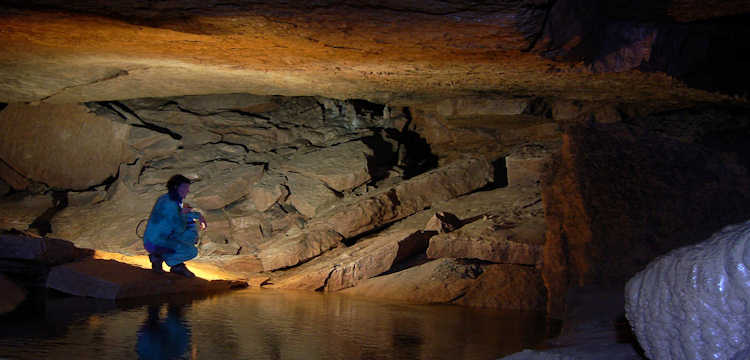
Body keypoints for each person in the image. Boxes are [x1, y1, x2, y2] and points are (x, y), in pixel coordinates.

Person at [143, 174, 206, 278]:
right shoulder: (172, 204)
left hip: (152, 240)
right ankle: (169, 261)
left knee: (188, 234)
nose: (187, 191)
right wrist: (189, 220)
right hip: (156, 243)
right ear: (176, 187)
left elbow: (176, 216)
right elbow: (179, 227)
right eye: (185, 188)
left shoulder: (164, 199)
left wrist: (198, 216)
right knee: (192, 250)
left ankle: (164, 259)